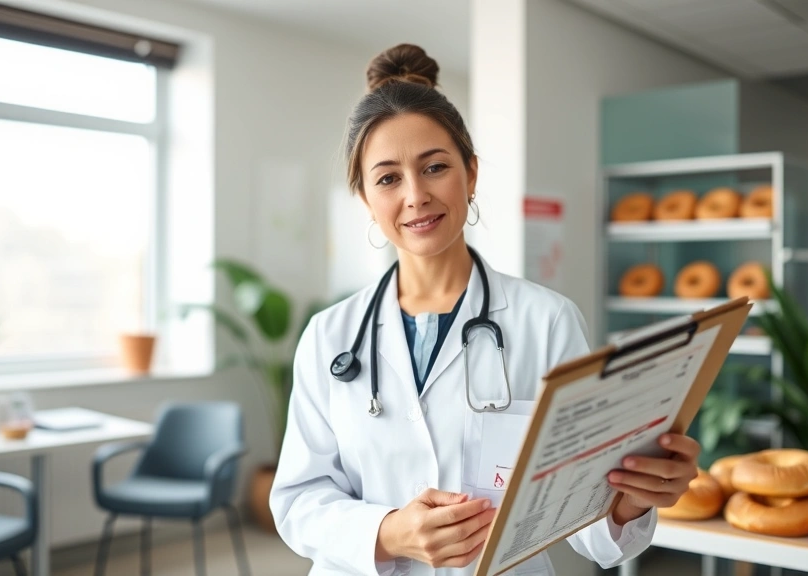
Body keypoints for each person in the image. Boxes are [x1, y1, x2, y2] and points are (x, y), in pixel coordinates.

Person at [269, 43, 702, 575]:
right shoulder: (328, 335)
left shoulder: (546, 321)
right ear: (364, 198)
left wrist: (634, 496)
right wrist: (387, 532)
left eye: (434, 167)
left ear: (470, 174)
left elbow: (587, 519)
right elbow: (297, 499)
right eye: (387, 178)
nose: (415, 196)